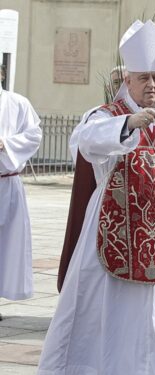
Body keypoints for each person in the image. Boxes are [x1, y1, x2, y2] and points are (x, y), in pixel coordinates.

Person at [38, 20, 155, 374]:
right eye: (144, 79)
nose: (152, 85)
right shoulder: (106, 116)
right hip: (110, 237)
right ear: (128, 81)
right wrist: (129, 124)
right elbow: (87, 142)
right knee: (104, 313)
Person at [58, 66, 128, 292]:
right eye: (115, 81)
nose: (119, 86)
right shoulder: (99, 114)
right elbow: (81, 146)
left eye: (124, 81)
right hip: (104, 188)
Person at [0, 63, 42, 308]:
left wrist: (6, 144)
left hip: (8, 183)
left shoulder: (18, 103)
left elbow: (34, 135)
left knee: (6, 245)